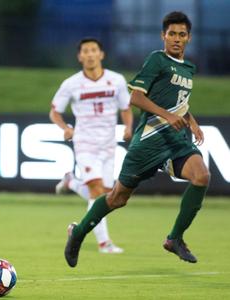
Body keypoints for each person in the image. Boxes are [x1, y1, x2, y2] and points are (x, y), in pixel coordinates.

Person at [64, 11, 210, 268]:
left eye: (182, 35)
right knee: (117, 198)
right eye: (172, 34)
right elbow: (137, 98)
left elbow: (179, 103)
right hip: (149, 142)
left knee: (201, 176)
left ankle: (174, 238)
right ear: (163, 35)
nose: (177, 39)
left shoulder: (189, 68)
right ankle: (79, 233)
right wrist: (167, 115)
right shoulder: (157, 60)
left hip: (175, 142)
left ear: (188, 38)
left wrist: (192, 122)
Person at [51, 37, 133, 254]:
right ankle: (103, 243)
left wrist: (127, 127)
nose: (89, 54)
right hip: (85, 143)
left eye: (93, 50)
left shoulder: (116, 80)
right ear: (79, 56)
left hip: (108, 144)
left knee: (107, 196)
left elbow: (126, 107)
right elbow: (55, 111)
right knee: (98, 192)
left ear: (101, 54)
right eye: (85, 51)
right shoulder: (71, 83)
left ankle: (72, 183)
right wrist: (65, 128)